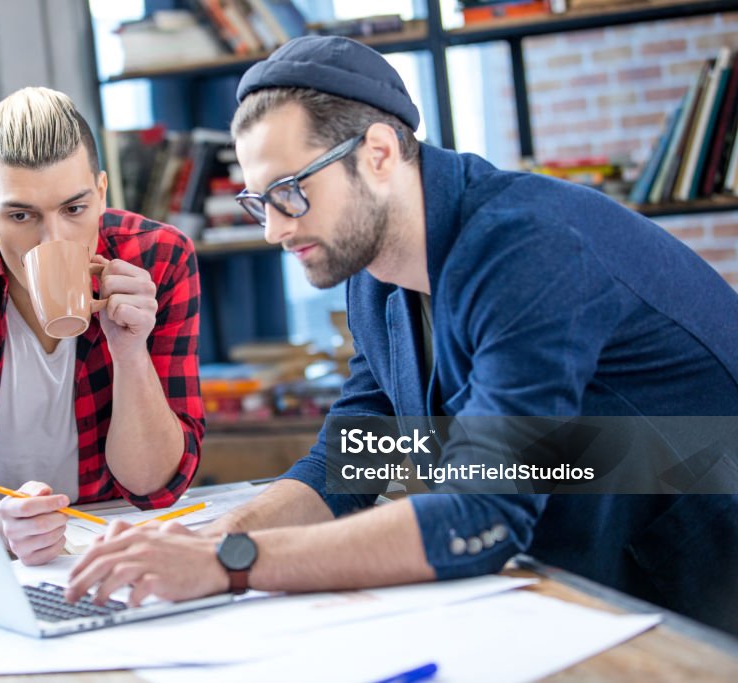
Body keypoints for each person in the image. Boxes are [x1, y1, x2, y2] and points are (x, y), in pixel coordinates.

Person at [66, 36, 738, 635]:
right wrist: (215, 534)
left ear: (380, 153)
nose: (273, 230)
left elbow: (481, 512)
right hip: (592, 586)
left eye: (290, 191)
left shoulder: (528, 249)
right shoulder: (373, 270)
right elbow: (354, 459)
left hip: (701, 595)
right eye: (259, 202)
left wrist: (228, 563)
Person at [0, 87, 204, 566]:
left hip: (104, 544)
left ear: (101, 191)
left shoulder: (159, 260)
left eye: (75, 209)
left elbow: (154, 486)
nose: (55, 238)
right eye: (21, 215)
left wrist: (131, 352)